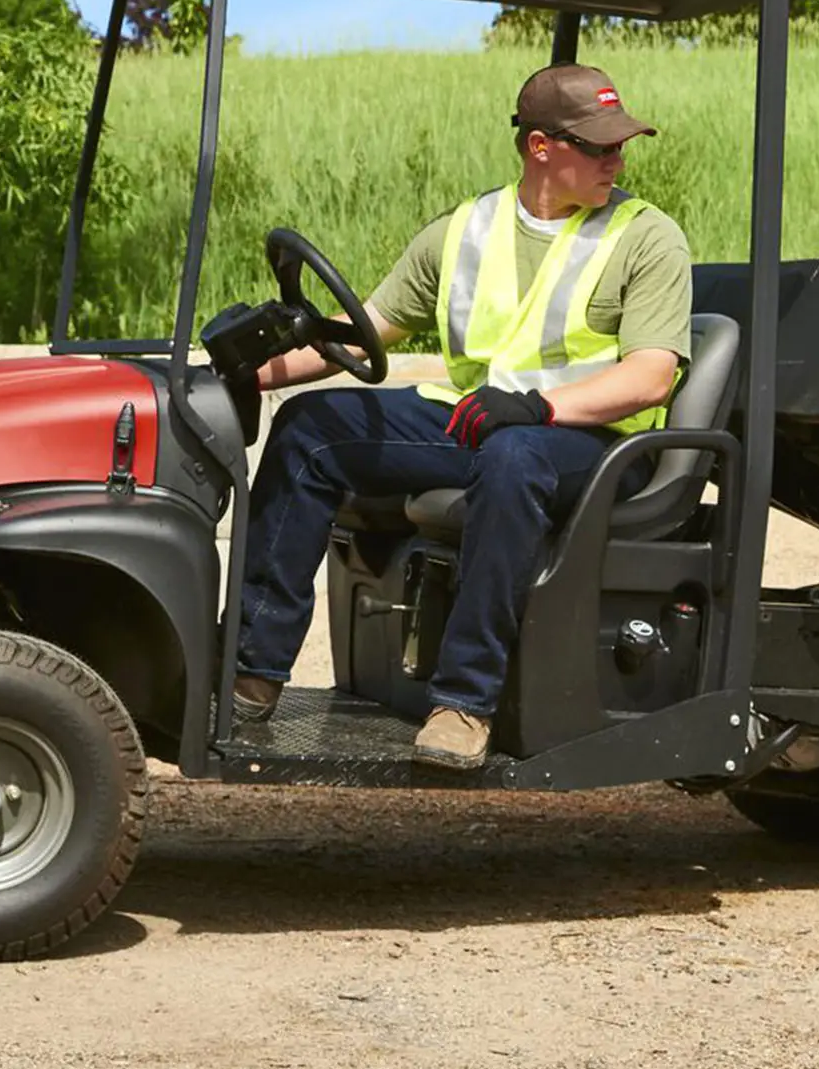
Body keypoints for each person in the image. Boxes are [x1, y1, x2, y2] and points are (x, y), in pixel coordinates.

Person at [232, 63, 692, 770]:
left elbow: (651, 375)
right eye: (600, 147)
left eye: (621, 145)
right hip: (480, 422)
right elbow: (368, 330)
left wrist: (540, 407)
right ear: (541, 147)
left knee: (514, 460)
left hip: (590, 445)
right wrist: (246, 372)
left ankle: (463, 706)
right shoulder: (465, 230)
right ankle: (252, 675)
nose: (618, 160)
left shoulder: (645, 235)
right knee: (310, 430)